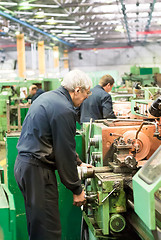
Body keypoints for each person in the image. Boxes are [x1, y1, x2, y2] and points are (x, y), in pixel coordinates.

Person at [14, 69, 92, 240]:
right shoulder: (64, 109)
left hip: (25, 167)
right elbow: (63, 151)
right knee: (48, 231)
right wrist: (77, 188)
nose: (86, 98)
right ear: (77, 90)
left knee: (39, 227)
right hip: (37, 172)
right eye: (86, 94)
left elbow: (57, 141)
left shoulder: (49, 98)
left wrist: (78, 163)